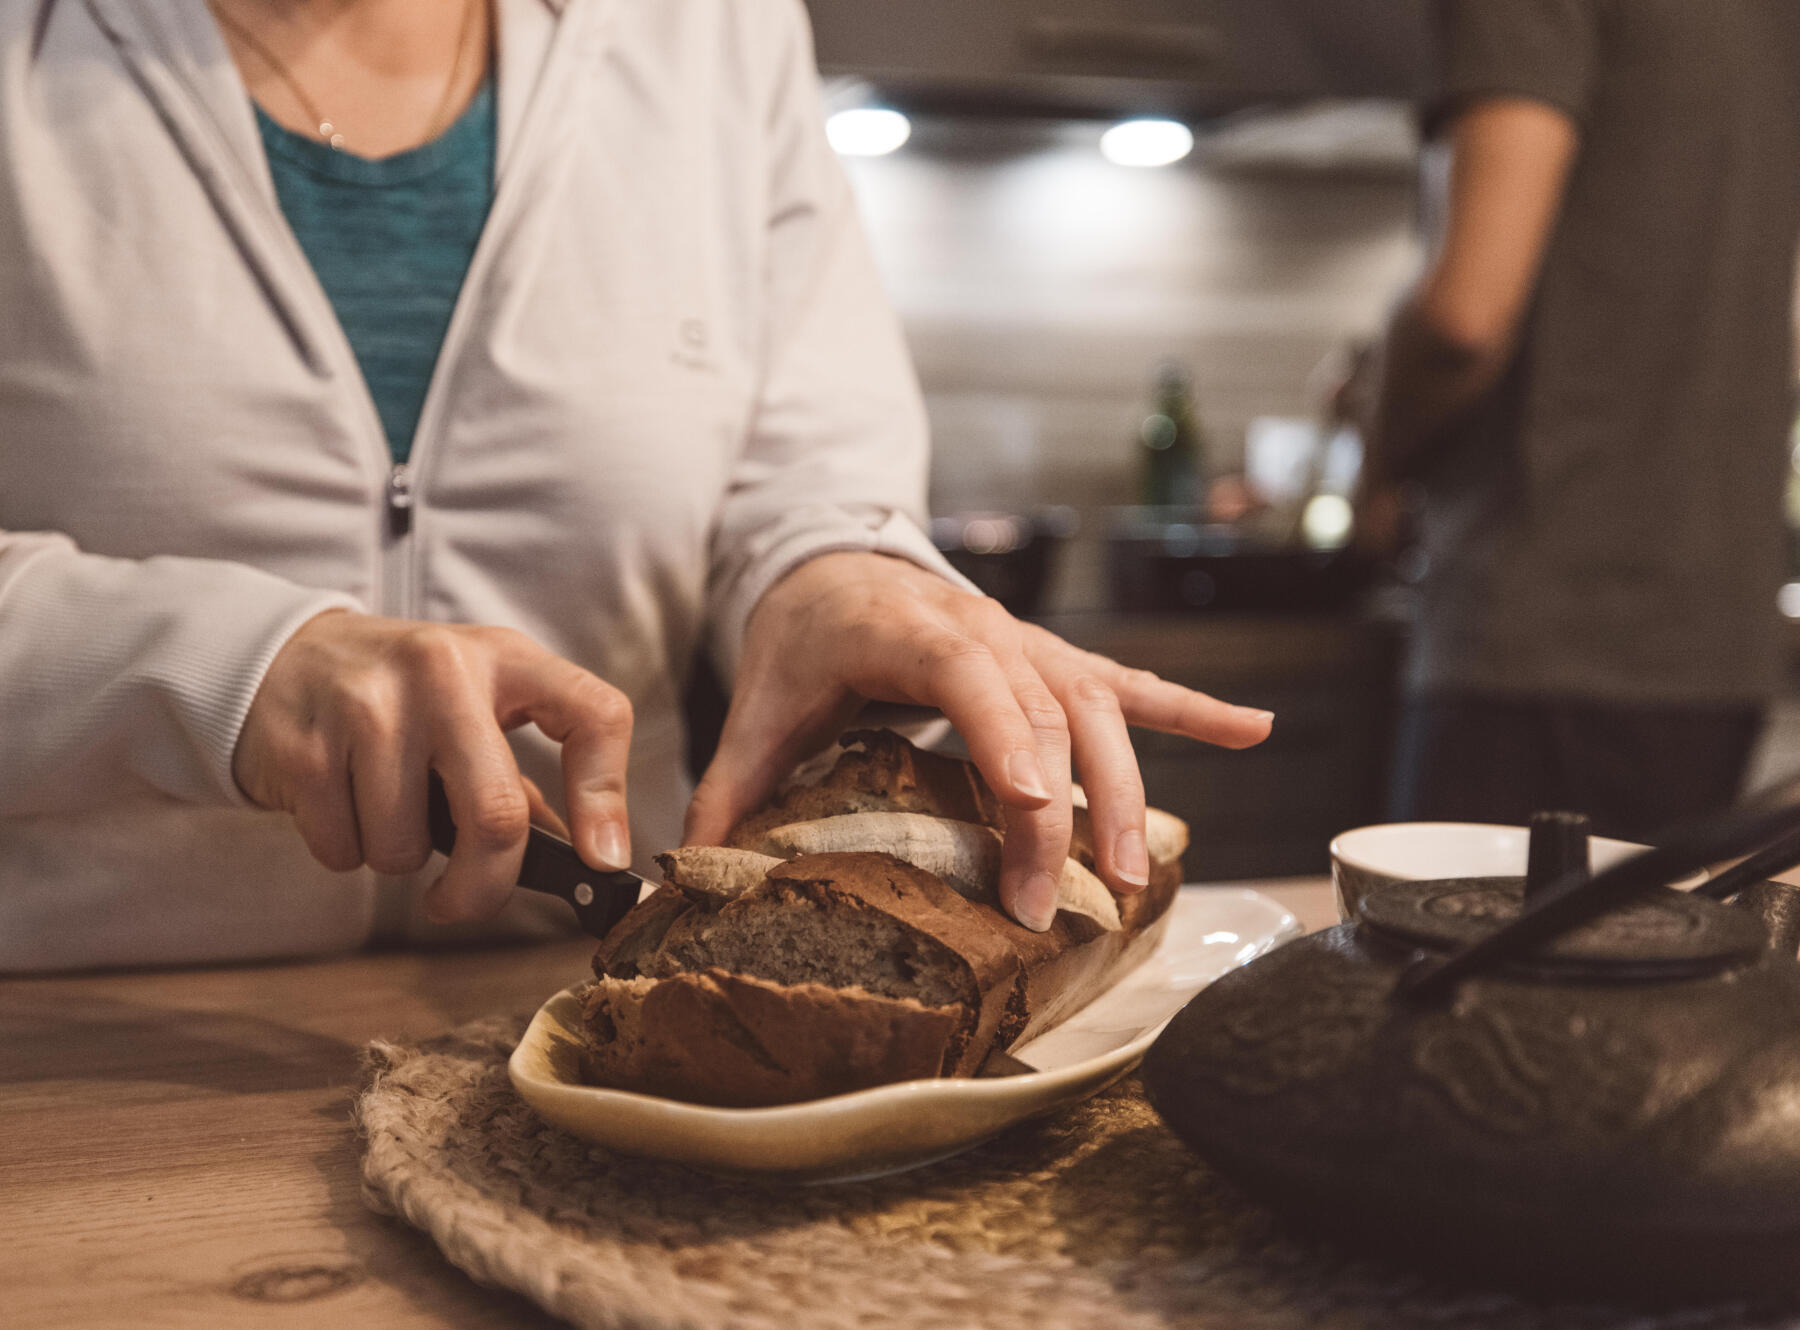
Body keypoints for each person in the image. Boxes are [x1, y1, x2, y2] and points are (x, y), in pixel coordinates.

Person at [0, 0, 1272, 969]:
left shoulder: (710, 27)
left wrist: (836, 578)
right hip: (82, 1038)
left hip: (579, 997)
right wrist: (227, 672)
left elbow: (805, 477)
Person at [1360, 0, 1800, 840]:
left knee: (1456, 966)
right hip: (1719, 642)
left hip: (1543, 621)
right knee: (1663, 965)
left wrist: (1375, 464)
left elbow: (1464, 319)